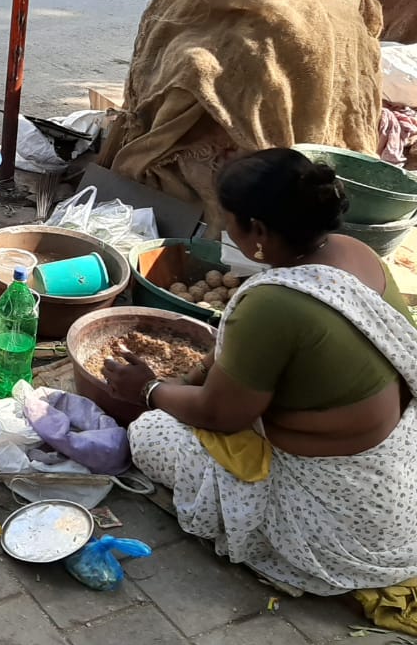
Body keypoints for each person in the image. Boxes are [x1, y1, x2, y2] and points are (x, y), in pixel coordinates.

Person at [103, 148, 417, 599]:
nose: (222, 229)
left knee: (151, 432)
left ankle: (277, 540)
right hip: (396, 489)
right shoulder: (356, 252)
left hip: (343, 525)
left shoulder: (272, 302)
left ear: (260, 231)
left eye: (228, 220)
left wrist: (148, 388)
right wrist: (203, 371)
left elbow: (219, 414)